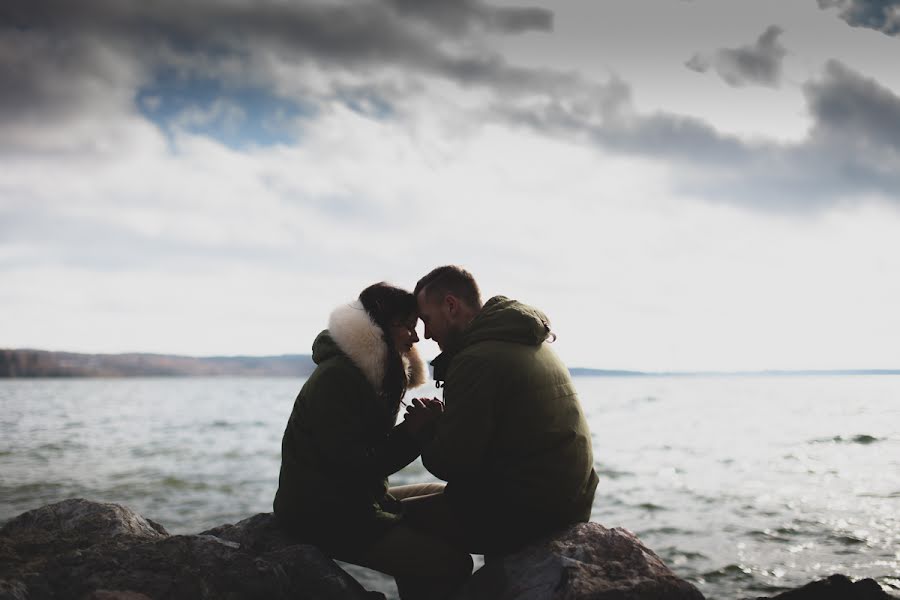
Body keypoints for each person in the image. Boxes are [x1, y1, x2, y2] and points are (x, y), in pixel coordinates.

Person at [273, 282, 473, 599]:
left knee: (445, 499)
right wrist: (413, 433)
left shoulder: (368, 373)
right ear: (377, 327)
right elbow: (353, 466)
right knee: (452, 564)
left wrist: (415, 426)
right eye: (407, 326)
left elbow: (361, 454)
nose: (416, 337)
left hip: (353, 499)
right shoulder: (337, 378)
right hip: (323, 514)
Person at [408, 266, 599, 555]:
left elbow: (451, 464)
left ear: (450, 306)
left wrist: (426, 427)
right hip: (571, 502)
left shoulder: (477, 359)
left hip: (527, 517)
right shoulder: (526, 337)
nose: (425, 334)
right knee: (415, 502)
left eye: (427, 320)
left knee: (393, 524)